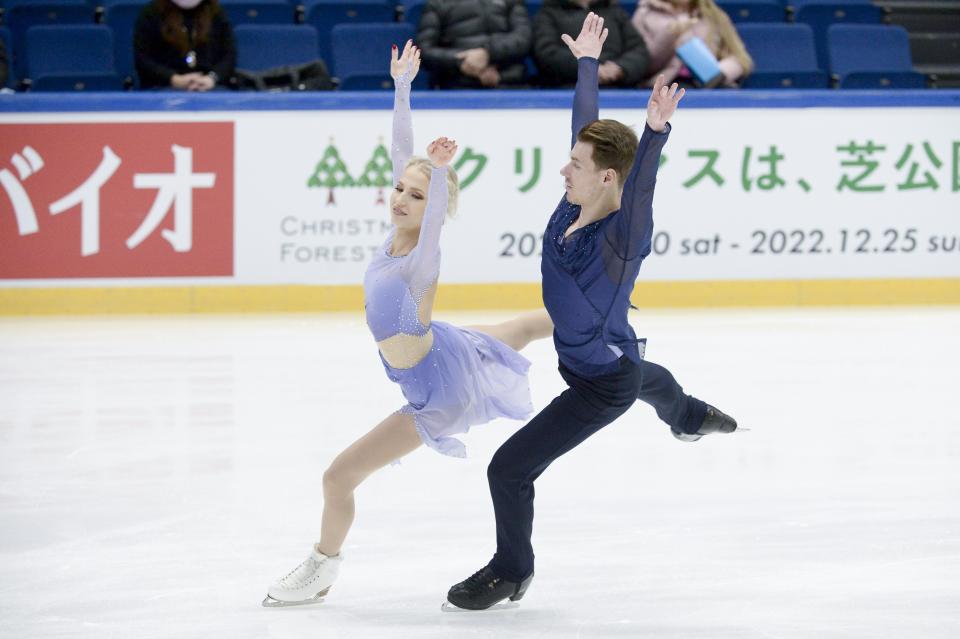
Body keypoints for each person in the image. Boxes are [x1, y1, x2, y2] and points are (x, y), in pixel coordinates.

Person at [445, 13, 737, 611]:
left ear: (607, 178)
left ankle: (512, 569)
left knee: (509, 469)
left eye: (574, 166)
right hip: (605, 352)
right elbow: (586, 129)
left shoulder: (621, 239)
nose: (562, 170)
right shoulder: (576, 195)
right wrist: (585, 64)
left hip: (596, 384)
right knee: (644, 377)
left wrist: (655, 134)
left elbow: (643, 186)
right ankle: (685, 416)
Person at [262, 41, 554, 607]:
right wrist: (401, 87)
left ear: (435, 206)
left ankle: (320, 569)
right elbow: (403, 155)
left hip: (433, 389)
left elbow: (434, 207)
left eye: (415, 196)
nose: (401, 197)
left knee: (337, 478)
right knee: (518, 328)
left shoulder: (423, 255)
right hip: (443, 348)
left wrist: (439, 177)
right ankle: (595, 317)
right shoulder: (395, 233)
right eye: (400, 189)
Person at [632, 0, 752, 87]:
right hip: (665, 85)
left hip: (710, 85)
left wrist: (720, 73)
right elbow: (642, 63)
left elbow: (740, 57)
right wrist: (669, 35)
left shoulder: (714, 14)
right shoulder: (644, 14)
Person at [416, 0, 533, 88]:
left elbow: (524, 38)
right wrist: (462, 62)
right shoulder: (438, 3)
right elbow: (424, 51)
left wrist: (487, 53)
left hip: (511, 85)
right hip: (458, 88)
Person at [533, 0, 650, 88]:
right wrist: (588, 67)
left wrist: (620, 68)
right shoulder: (549, 14)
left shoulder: (615, 12)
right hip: (567, 88)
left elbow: (638, 49)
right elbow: (546, 53)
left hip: (617, 88)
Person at [134, 0, 236, 91]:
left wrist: (212, 78)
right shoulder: (151, 13)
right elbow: (143, 59)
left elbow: (229, 55)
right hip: (163, 86)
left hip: (209, 85)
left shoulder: (216, 12)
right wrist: (173, 78)